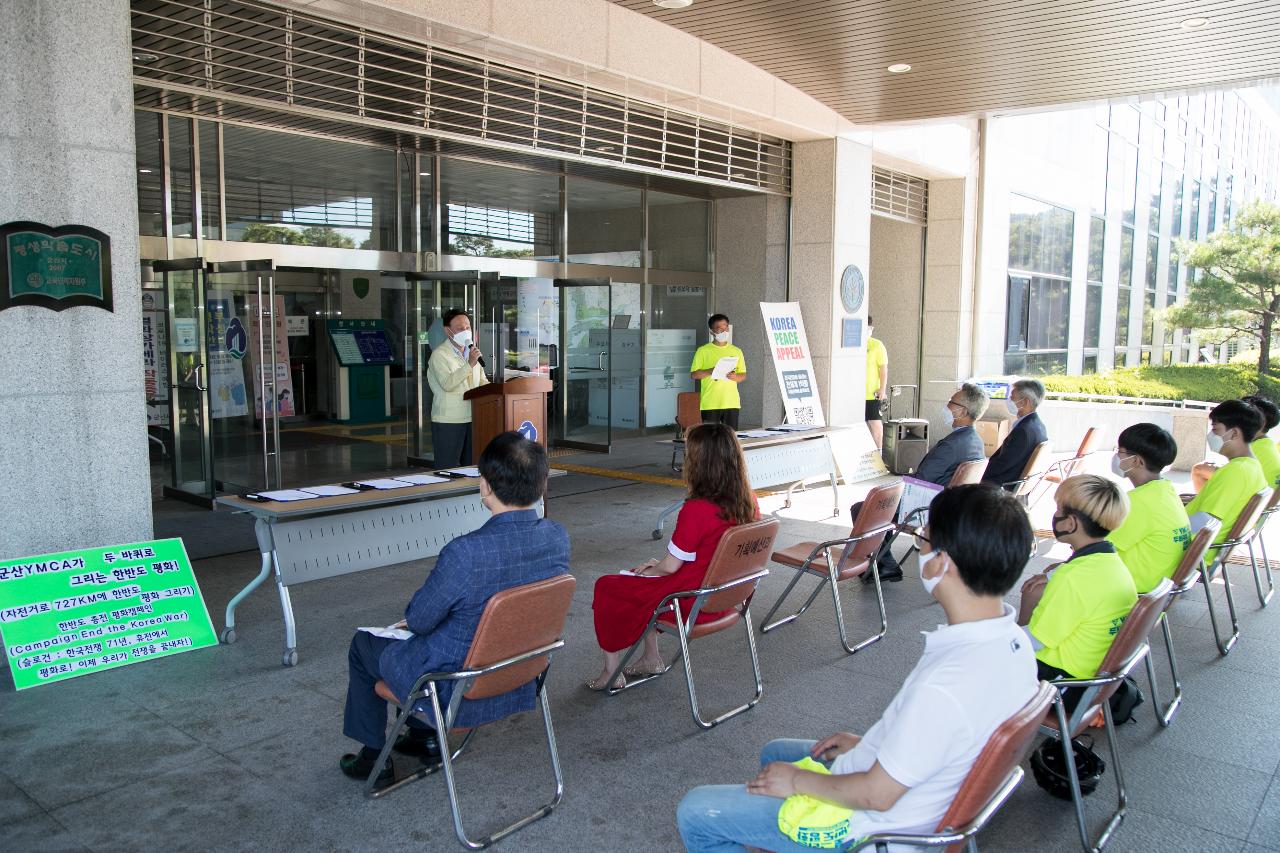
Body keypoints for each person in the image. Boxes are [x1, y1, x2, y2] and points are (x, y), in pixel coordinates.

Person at [676, 485, 1038, 853]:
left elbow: (876, 795)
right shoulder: (1013, 643)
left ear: (945, 563)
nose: (920, 548)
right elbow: (945, 739)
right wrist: (872, 744)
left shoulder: (948, 685)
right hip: (916, 792)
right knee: (776, 752)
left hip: (874, 830)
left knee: (696, 811)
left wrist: (799, 782)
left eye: (924, 538)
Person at [338, 432, 569, 789]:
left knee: (365, 645)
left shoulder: (466, 553)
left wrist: (412, 622)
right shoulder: (557, 538)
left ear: (485, 486)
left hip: (454, 690)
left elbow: (419, 619)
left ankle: (373, 757)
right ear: (540, 486)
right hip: (521, 677)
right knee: (431, 636)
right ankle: (423, 737)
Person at [589, 422, 758, 690]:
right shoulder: (749, 501)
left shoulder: (697, 510)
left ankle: (612, 671)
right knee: (644, 578)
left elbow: (669, 567)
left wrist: (648, 570)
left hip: (692, 601)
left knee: (609, 586)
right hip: (728, 594)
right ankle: (651, 658)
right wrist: (653, 569)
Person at [1019, 475, 1137, 713]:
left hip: (1064, 685)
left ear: (1071, 523)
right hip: (1095, 678)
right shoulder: (1114, 565)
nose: (1055, 515)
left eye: (1058, 509)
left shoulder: (1072, 578)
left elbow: (1033, 641)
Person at [864, 383, 989, 583]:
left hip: (927, 506)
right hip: (951, 507)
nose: (947, 406)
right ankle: (882, 561)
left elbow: (921, 480)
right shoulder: (974, 440)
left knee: (866, 508)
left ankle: (885, 565)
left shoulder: (951, 445)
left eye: (951, 403)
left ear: (962, 411)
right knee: (879, 501)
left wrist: (890, 492)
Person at [1107, 424, 1191, 593]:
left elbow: (1099, 546)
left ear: (1136, 461)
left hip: (1130, 587)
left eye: (1120, 451)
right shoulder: (1165, 490)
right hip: (1158, 584)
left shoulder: (1137, 502)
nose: (1116, 456)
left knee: (1044, 583)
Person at [1184, 399, 1268, 544]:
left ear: (1234, 433)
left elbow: (1204, 521)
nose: (1211, 435)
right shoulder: (1252, 467)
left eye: (1215, 429)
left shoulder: (1236, 471)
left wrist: (1165, 527)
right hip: (1199, 547)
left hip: (1187, 549)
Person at [427, 308, 488, 467]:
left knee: (470, 465)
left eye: (468, 327)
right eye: (460, 328)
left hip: (472, 418)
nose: (466, 331)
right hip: (448, 420)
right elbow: (447, 384)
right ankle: (445, 493)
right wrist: (469, 365)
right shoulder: (439, 355)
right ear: (448, 331)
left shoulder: (472, 354)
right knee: (448, 467)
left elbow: (482, 382)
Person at [981, 378, 1049, 489]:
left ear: (1025, 402)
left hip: (1001, 487)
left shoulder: (1023, 431)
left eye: (1012, 398)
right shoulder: (1038, 425)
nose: (1009, 401)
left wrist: (978, 474)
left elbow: (1002, 464)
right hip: (1013, 483)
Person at [690, 314, 746, 429]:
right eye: (720, 329)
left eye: (726, 328)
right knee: (710, 438)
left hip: (731, 402)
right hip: (710, 402)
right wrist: (711, 371)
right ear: (711, 331)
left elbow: (743, 375)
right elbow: (694, 375)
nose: (724, 331)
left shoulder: (736, 351)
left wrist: (735, 376)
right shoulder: (703, 351)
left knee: (730, 437)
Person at [1243, 395, 1280, 488]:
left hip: (1256, 499)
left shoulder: (1254, 449)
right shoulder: (1266, 444)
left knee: (1202, 469)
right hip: (1263, 498)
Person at [864, 316, 889, 449]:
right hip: (853, 393)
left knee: (875, 425)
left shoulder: (877, 345)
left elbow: (883, 368)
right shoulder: (852, 343)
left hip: (872, 394)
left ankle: (878, 455)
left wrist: (882, 389)